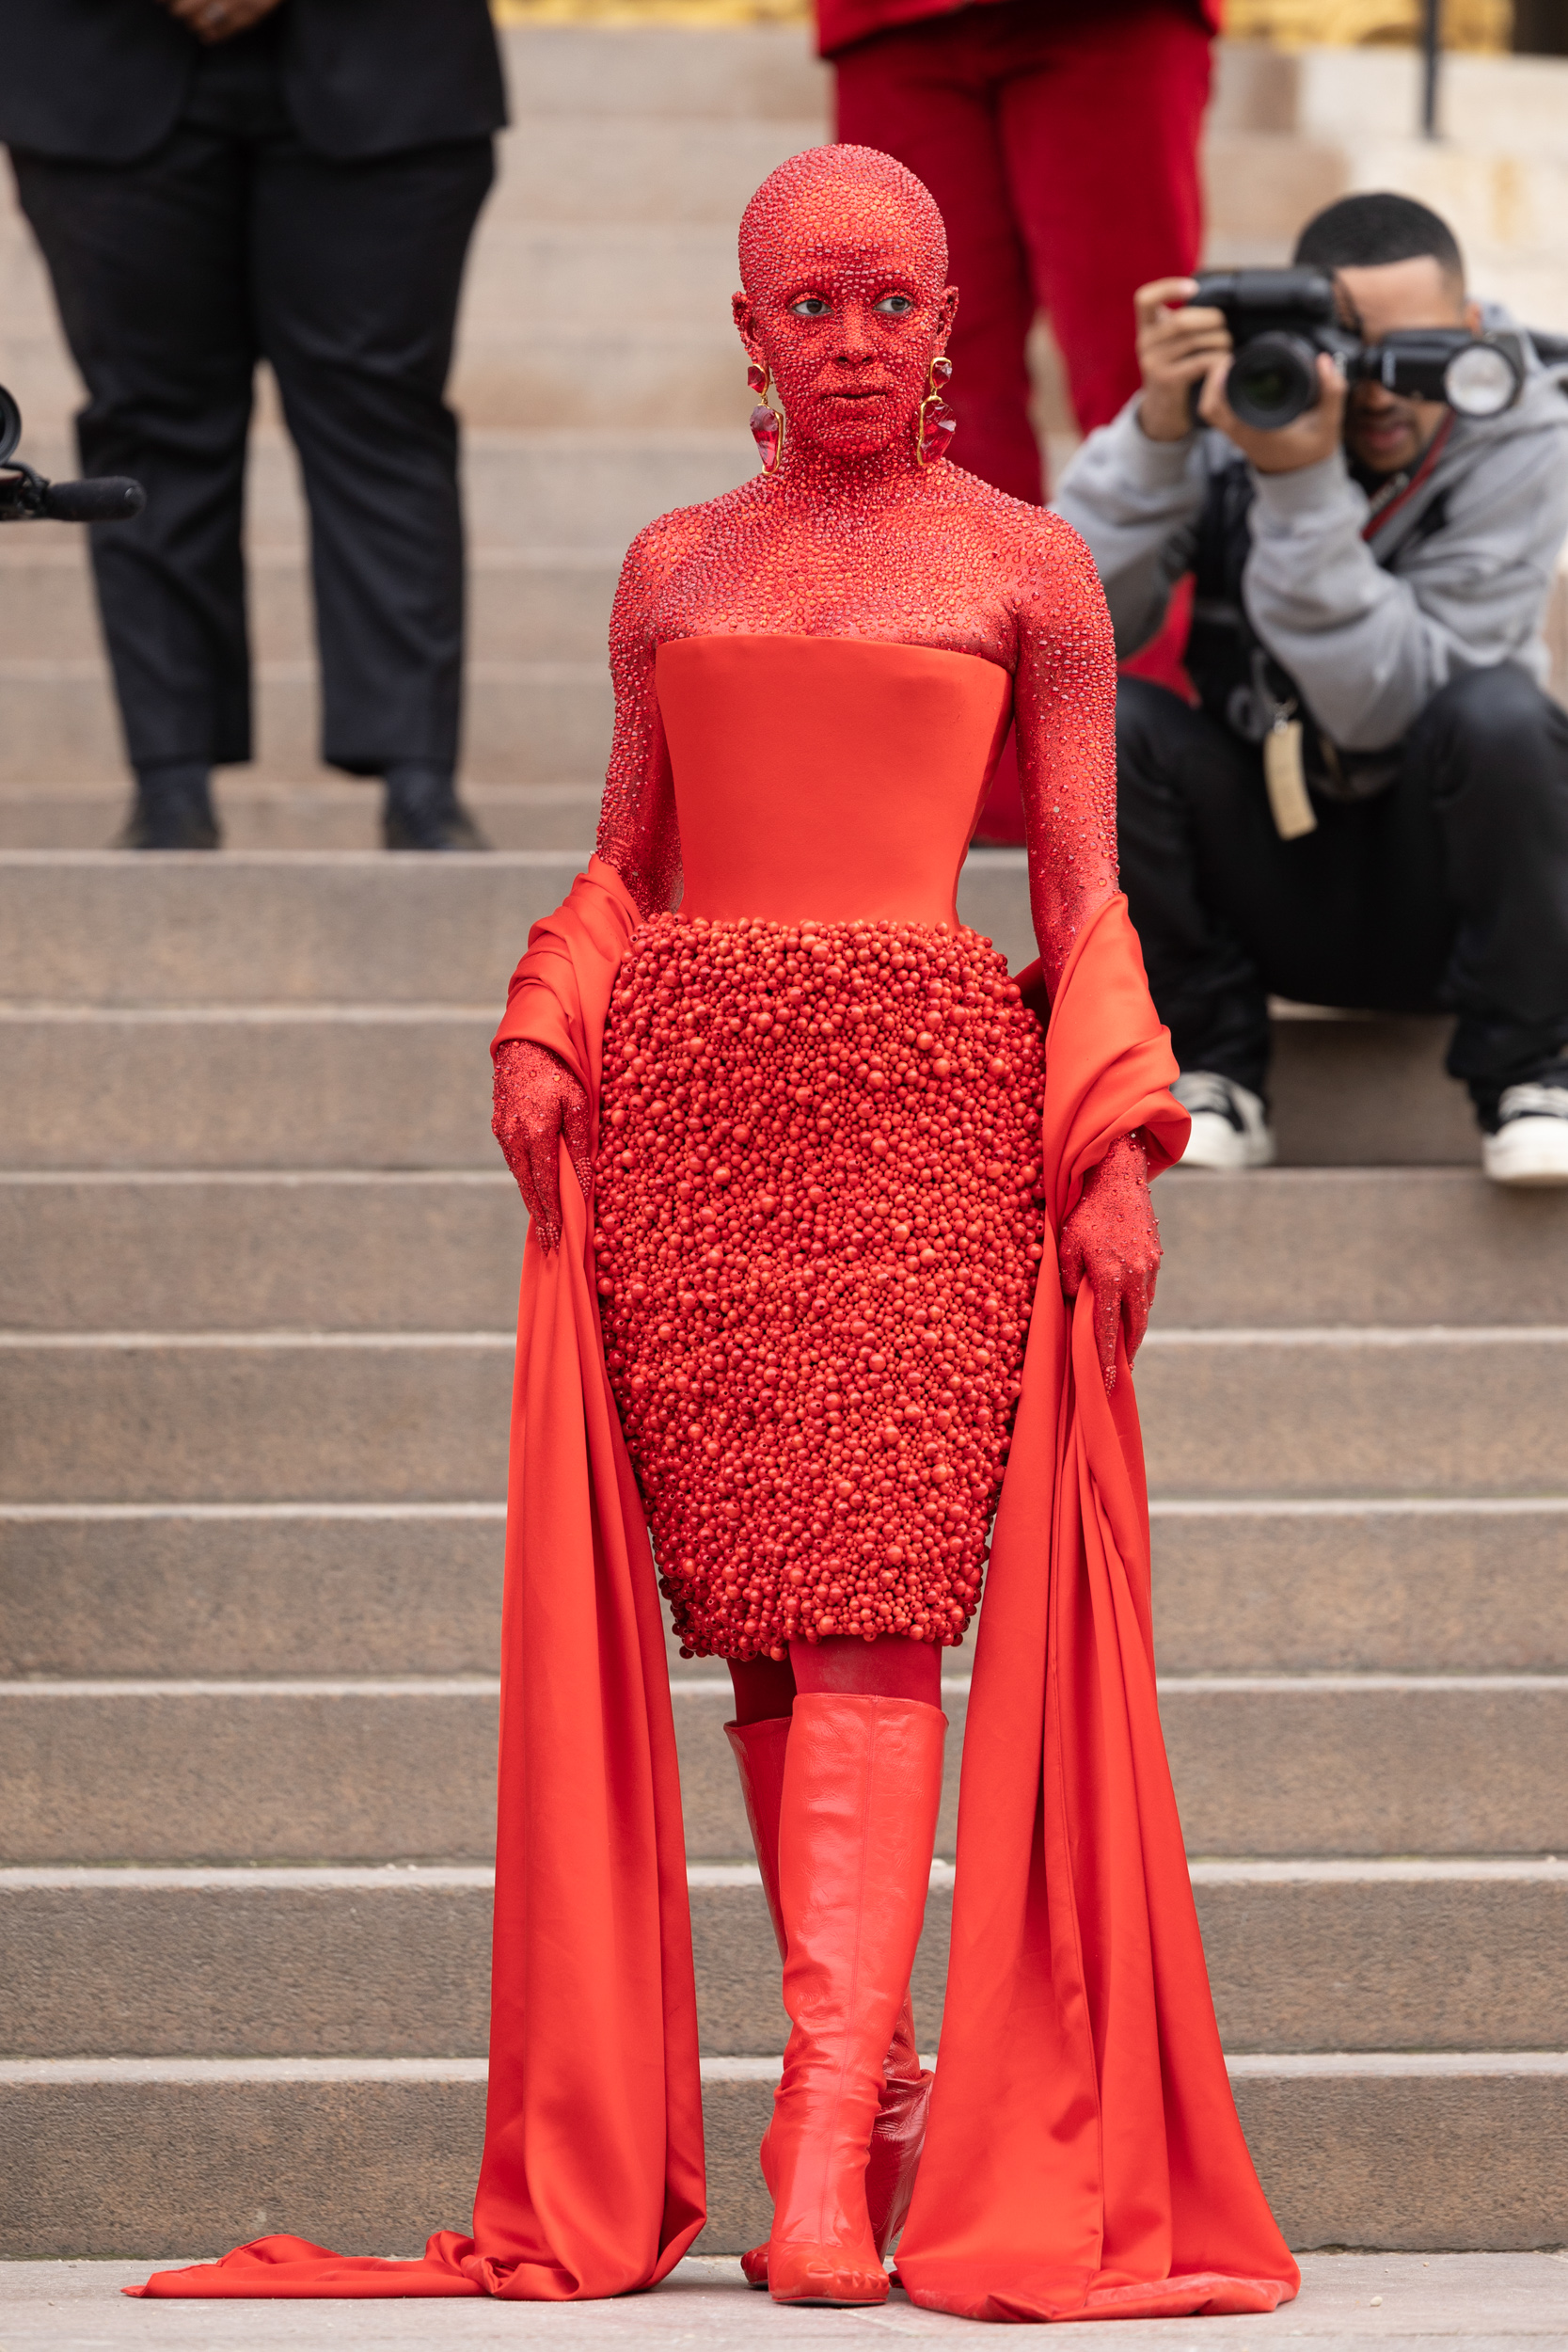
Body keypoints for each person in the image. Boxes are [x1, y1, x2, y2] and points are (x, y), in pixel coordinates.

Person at [128, 148, 1298, 2322]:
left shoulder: (1030, 568)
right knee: (761, 1625)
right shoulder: (671, 566)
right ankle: (864, 2092)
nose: (851, 341)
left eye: (888, 302)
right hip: (690, 1129)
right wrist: (550, 1020)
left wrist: (1118, 1138)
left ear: (954, 323)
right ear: (743, 331)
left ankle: (810, 2138)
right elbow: (628, 854)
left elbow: (1078, 890)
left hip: (924, 1112)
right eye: (809, 305)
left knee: (870, 1608)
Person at [1054, 192, 1568, 1184]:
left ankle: (1531, 1072)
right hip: (1269, 866)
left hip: (1445, 883)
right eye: (1344, 352)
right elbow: (1067, 629)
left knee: (1502, 713)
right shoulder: (1233, 394)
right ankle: (1206, 1067)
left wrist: (1294, 491)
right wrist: (1156, 439)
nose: (1371, 395)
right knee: (1104, 723)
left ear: (1468, 335)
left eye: (1408, 359)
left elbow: (1388, 708)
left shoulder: (1521, 426)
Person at [0, 0, 506, 850]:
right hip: (89, 57)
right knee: (146, 419)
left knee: (381, 415)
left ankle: (418, 781)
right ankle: (171, 785)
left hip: (391, 63)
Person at [820, 0, 1217, 839]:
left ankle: (1134, 758)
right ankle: (958, 749)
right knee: (917, 394)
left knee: (1142, 377)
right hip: (893, 21)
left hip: (1110, 23)